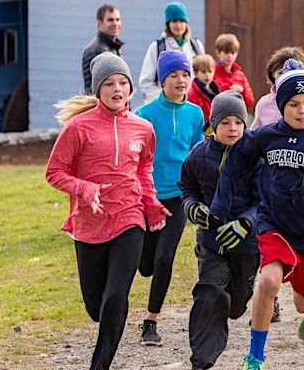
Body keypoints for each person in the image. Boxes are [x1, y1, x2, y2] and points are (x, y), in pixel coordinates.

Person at [210, 59, 304, 370]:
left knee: (303, 302)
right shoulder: (265, 135)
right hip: (274, 223)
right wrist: (221, 206)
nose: (302, 111)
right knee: (268, 281)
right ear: (280, 105)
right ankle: (255, 357)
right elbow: (236, 162)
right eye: (293, 104)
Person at [46, 53, 169, 370]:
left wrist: (150, 202)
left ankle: (99, 365)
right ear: (97, 89)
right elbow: (54, 172)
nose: (117, 89)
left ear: (130, 88)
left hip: (129, 219)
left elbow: (144, 170)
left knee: (116, 296)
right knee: (96, 307)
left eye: (123, 83)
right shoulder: (78, 128)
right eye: (110, 83)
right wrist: (85, 189)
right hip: (88, 224)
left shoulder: (143, 128)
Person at [180, 91, 257, 370]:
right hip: (211, 241)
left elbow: (266, 200)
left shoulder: (254, 156)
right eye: (225, 122)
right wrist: (192, 207)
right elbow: (186, 187)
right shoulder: (199, 155)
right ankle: (202, 361)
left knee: (235, 306)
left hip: (247, 244)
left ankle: (236, 303)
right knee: (210, 293)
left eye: (238, 121)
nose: (233, 128)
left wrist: (245, 223)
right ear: (214, 124)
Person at [134, 50, 205, 346]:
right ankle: (144, 263)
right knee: (146, 264)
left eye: (185, 74)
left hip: (178, 197)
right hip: (146, 197)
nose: (181, 80)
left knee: (165, 258)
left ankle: (151, 321)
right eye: (174, 75)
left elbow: (197, 153)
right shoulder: (145, 115)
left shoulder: (195, 113)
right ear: (162, 80)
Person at [252, 47, 304, 127]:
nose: (287, 77)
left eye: (292, 72)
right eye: (281, 73)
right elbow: (253, 136)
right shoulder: (263, 104)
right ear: (272, 74)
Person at [139, 1, 205, 101]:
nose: (178, 25)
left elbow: (204, 76)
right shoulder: (157, 47)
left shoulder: (196, 46)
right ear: (168, 24)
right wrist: (164, 99)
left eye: (182, 21)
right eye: (174, 21)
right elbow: (146, 82)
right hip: (163, 107)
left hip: (190, 105)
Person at [82, 4, 124, 94]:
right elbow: (91, 91)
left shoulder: (115, 48)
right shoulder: (94, 51)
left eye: (118, 19)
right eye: (110, 20)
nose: (115, 23)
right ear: (99, 23)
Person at [212, 33, 256, 113]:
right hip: (216, 115)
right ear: (218, 53)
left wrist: (242, 91)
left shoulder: (240, 75)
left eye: (233, 53)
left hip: (236, 115)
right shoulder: (211, 72)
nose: (230, 56)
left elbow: (250, 100)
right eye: (226, 52)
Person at [187, 54, 222, 127]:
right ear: (196, 73)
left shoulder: (217, 89)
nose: (207, 75)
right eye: (203, 72)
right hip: (202, 131)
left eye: (210, 71)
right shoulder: (192, 94)